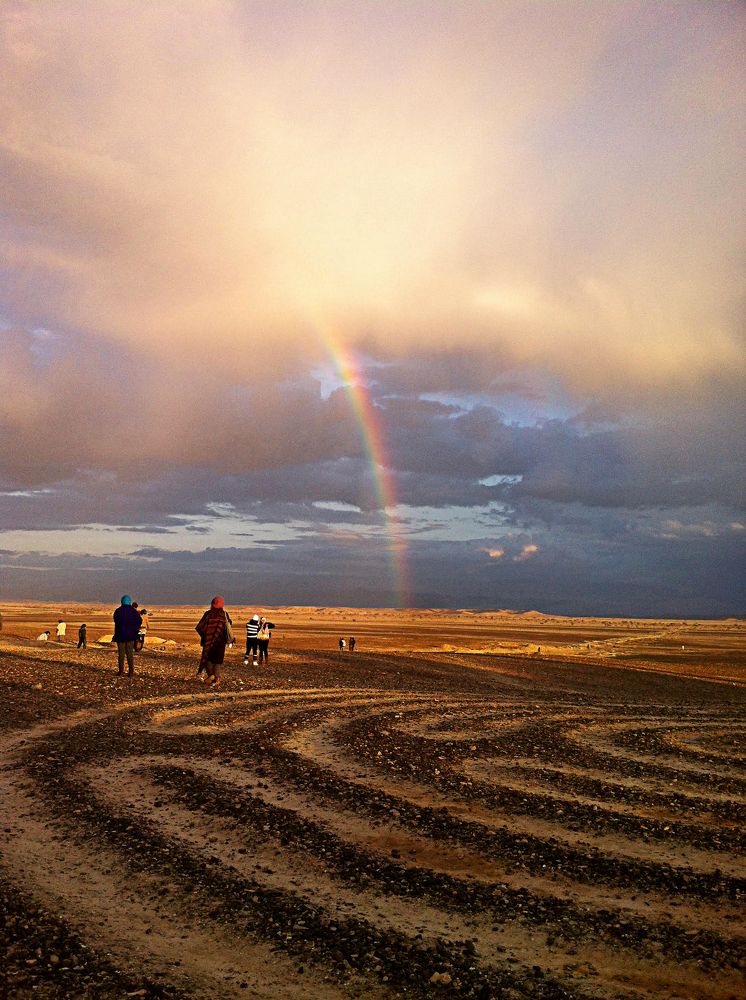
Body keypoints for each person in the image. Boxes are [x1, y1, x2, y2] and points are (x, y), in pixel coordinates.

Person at [195, 596, 232, 686]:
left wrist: (206, 636)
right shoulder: (225, 615)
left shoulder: (208, 614)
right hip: (220, 643)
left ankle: (211, 676)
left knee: (208, 659)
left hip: (208, 642)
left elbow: (200, 627)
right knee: (217, 661)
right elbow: (229, 626)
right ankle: (216, 679)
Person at [113, 595, 142, 677]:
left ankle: (121, 671)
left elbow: (115, 620)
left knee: (121, 654)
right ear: (129, 601)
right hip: (131, 636)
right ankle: (131, 672)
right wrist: (134, 629)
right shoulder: (134, 612)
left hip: (120, 636)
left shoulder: (118, 611)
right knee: (130, 654)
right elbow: (139, 621)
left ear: (122, 601)